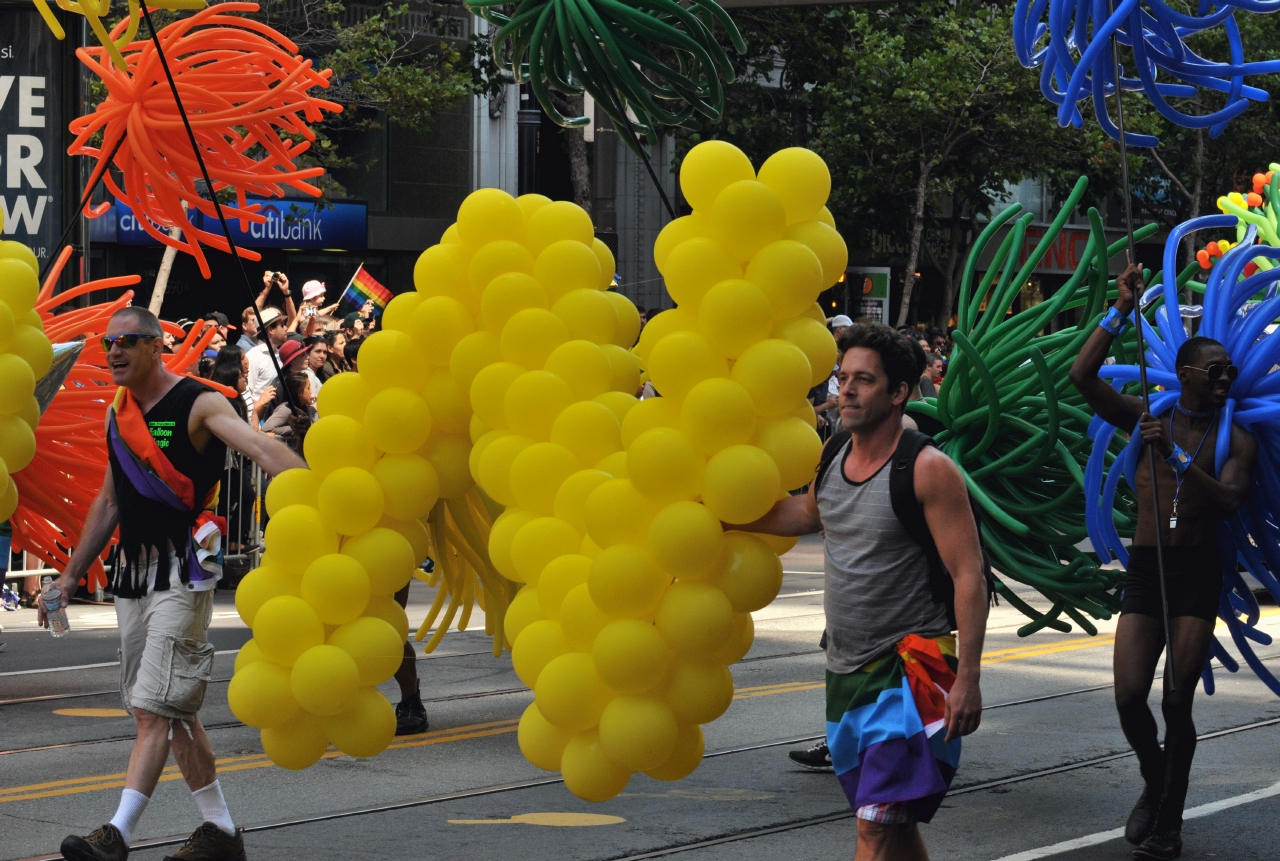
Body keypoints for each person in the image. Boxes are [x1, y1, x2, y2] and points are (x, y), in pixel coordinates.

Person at [46, 307, 306, 861]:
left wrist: (318, 483)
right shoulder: (118, 413)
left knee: (153, 707)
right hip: (133, 572)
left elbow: (258, 449)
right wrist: (69, 576)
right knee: (172, 707)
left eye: (127, 342)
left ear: (156, 346)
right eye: (108, 343)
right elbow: (111, 500)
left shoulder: (200, 401)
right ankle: (220, 831)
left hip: (192, 563)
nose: (114, 352)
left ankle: (117, 834)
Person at [743, 323, 987, 861]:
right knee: (891, 825)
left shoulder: (928, 469)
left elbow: (970, 574)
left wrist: (967, 678)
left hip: (912, 672)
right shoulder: (833, 454)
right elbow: (806, 515)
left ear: (898, 392)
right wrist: (719, 518)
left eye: (864, 380)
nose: (846, 389)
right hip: (847, 671)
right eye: (843, 376)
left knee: (875, 829)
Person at [1068, 265, 1256, 860]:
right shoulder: (1150, 413)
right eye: (1215, 369)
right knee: (1128, 697)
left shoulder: (1237, 437)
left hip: (1198, 569)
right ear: (1185, 374)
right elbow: (1082, 376)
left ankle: (1168, 823)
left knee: (1177, 701)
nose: (1227, 376)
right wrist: (1119, 310)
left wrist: (1172, 454)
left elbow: (1226, 501)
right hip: (1148, 570)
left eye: (1231, 369)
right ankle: (1157, 781)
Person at [245, 307, 288, 402]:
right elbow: (247, 390)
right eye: (281, 325)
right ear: (270, 330)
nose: (286, 328)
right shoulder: (253, 356)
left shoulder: (280, 354)